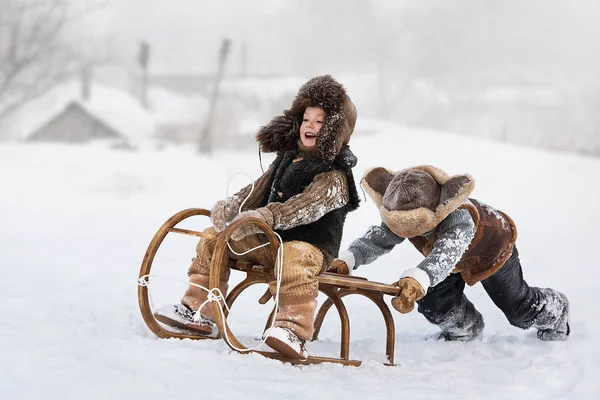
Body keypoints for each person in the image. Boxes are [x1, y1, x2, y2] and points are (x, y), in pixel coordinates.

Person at [154, 75, 361, 359]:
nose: (310, 126)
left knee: (294, 254)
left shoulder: (335, 175)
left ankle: (293, 327)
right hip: (270, 242)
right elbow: (257, 190)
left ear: (336, 130)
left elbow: (306, 205)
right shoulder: (287, 159)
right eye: (306, 119)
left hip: (310, 249)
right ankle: (199, 309)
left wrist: (264, 216)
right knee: (216, 238)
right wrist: (234, 207)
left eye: (320, 121)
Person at [334, 165, 570, 341]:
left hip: (491, 249)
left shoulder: (458, 218)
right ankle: (465, 329)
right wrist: (349, 259)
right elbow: (380, 237)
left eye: (415, 227)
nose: (407, 232)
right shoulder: (402, 209)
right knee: (433, 300)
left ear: (434, 212)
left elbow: (444, 256)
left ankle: (555, 311)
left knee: (518, 309)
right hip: (451, 258)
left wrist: (417, 279)